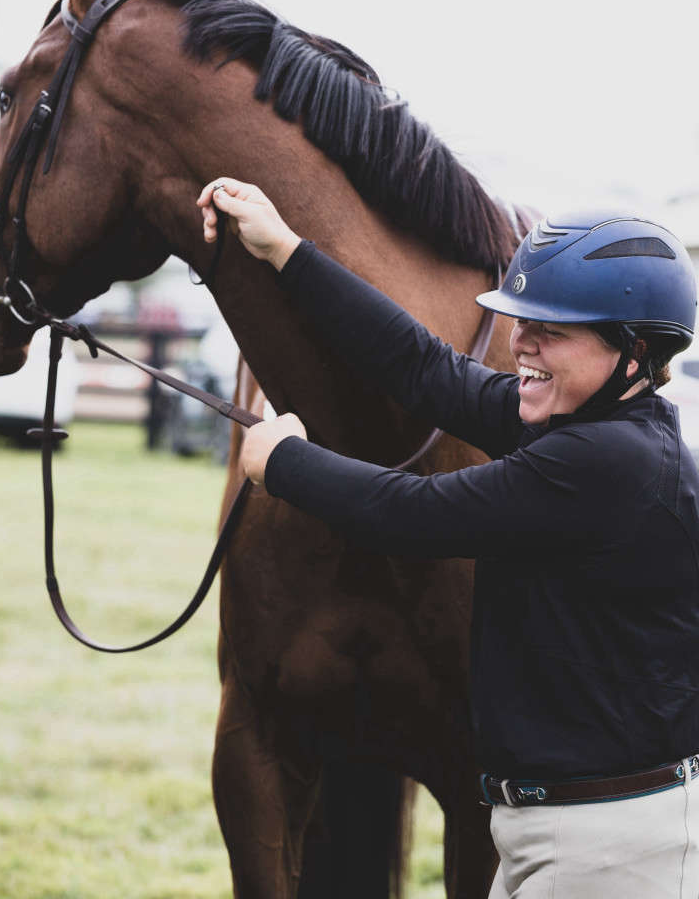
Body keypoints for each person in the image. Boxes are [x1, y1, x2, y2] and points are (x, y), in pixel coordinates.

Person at [197, 177, 699, 899]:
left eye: (548, 330)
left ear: (634, 351)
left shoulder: (607, 461)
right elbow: (425, 369)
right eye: (519, 321)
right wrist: (287, 251)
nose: (519, 343)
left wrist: (284, 463)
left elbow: (414, 512)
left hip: (614, 850)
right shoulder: (580, 422)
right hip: (554, 829)